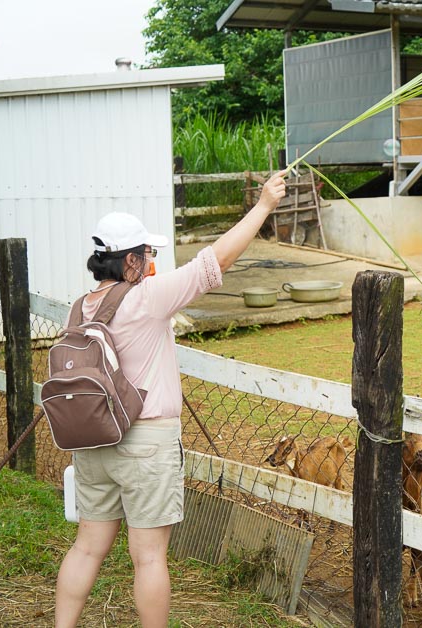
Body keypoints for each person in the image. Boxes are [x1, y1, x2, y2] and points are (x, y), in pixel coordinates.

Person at [54, 170, 287, 627]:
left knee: (86, 546)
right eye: (146, 254)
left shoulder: (79, 307)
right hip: (145, 445)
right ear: (129, 263)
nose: (151, 261)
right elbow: (214, 260)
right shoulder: (148, 299)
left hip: (93, 443)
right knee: (149, 558)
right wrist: (263, 206)